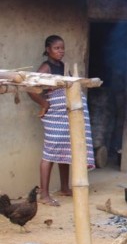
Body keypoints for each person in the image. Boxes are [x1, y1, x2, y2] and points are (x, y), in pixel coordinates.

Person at [28, 35, 95, 206]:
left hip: (67, 114)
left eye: (62, 48)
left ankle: (64, 187)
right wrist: (44, 104)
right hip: (55, 115)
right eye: (57, 48)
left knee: (65, 149)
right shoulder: (46, 67)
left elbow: (71, 86)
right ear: (48, 49)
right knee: (50, 152)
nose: (61, 51)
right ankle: (43, 194)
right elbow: (30, 87)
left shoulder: (64, 67)